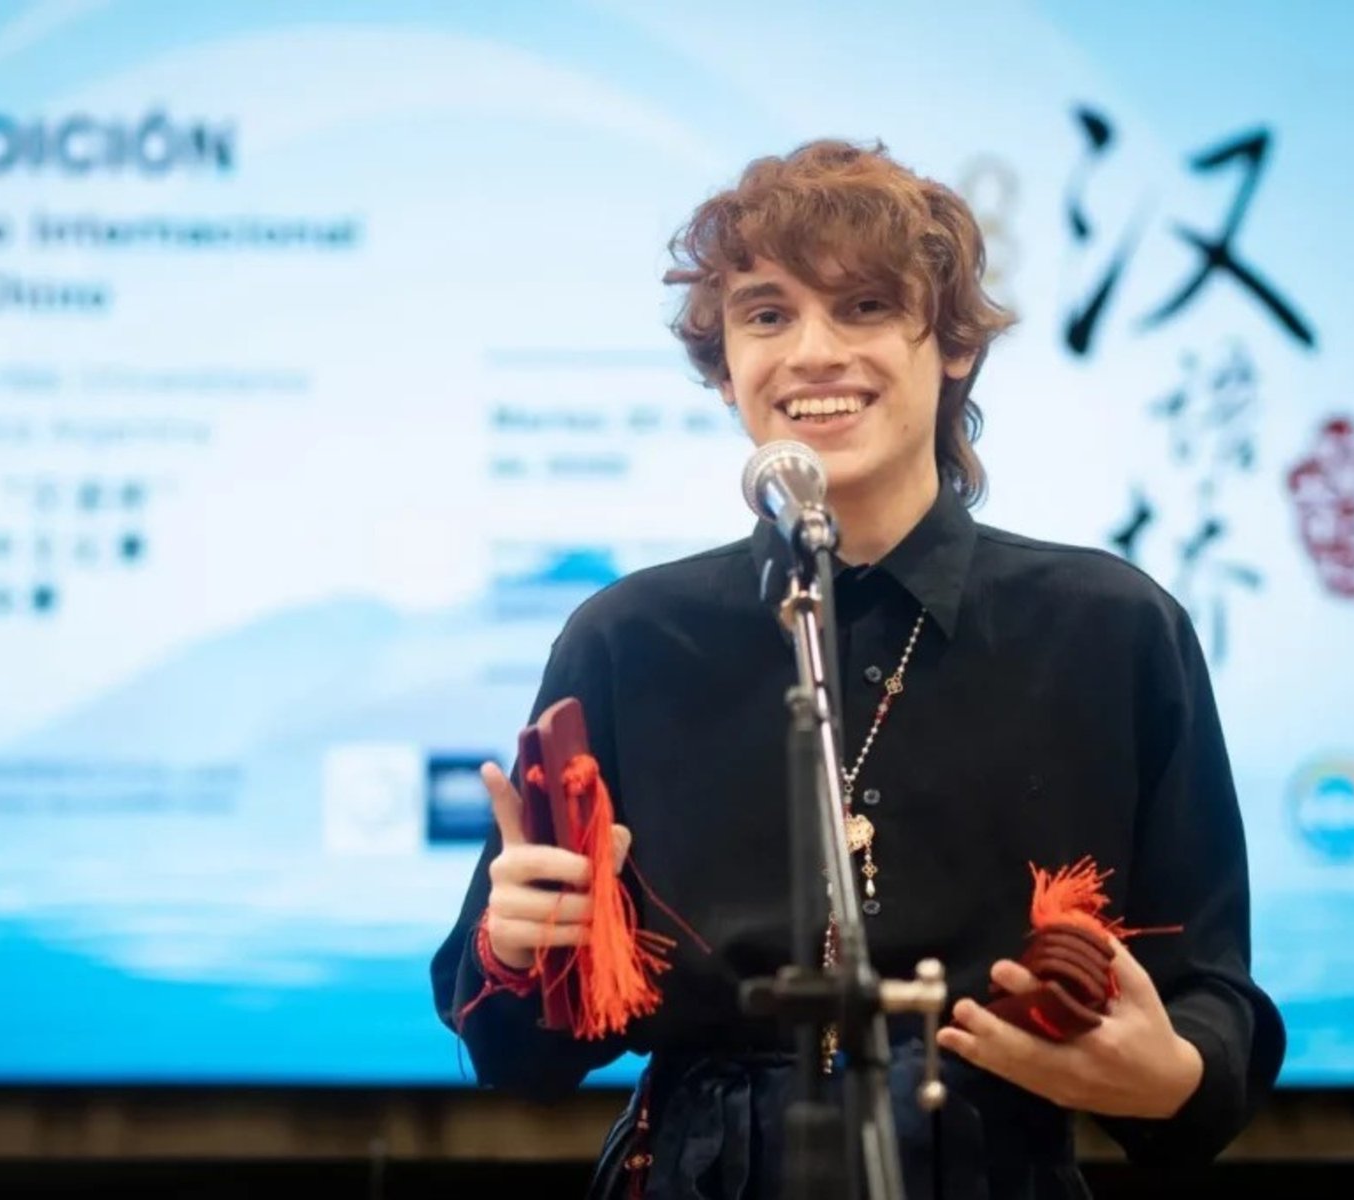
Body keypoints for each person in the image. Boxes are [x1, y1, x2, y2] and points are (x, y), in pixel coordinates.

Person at [430, 139, 1284, 1199]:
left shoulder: (1112, 631)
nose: (813, 354)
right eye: (767, 315)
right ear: (724, 363)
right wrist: (518, 951)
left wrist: (1169, 1077)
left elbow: (1208, 1000)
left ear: (954, 345)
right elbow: (519, 1057)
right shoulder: (627, 637)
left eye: (866, 307)